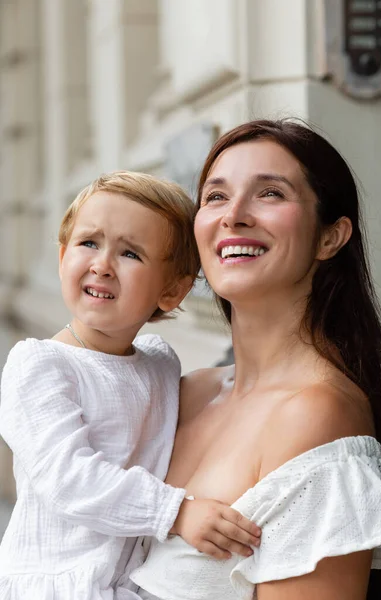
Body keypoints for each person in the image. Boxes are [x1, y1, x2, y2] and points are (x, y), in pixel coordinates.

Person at [130, 120, 381, 600]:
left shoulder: (316, 413)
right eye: (215, 197)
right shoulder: (185, 391)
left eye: (270, 193)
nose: (233, 215)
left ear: (330, 238)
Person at [0, 171, 261, 600]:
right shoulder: (41, 364)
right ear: (64, 256)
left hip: (131, 582)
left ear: (172, 291)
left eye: (130, 253)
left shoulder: (158, 363)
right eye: (89, 243)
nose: (102, 264)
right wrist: (176, 513)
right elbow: (68, 480)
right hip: (58, 583)